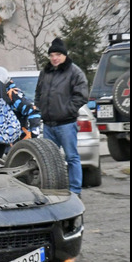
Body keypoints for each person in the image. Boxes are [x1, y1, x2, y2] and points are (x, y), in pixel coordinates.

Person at [34, 37, 89, 197]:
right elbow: (38, 93)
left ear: (64, 55)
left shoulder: (74, 72)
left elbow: (81, 96)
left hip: (66, 124)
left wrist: (68, 110)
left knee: (71, 157)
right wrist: (40, 108)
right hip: (49, 124)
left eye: (58, 54)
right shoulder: (45, 72)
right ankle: (54, 190)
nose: (54, 58)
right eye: (52, 55)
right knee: (50, 160)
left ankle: (75, 191)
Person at [0, 66, 43, 142]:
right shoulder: (2, 93)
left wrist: (32, 134)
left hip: (19, 139)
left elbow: (33, 111)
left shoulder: (12, 94)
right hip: (9, 138)